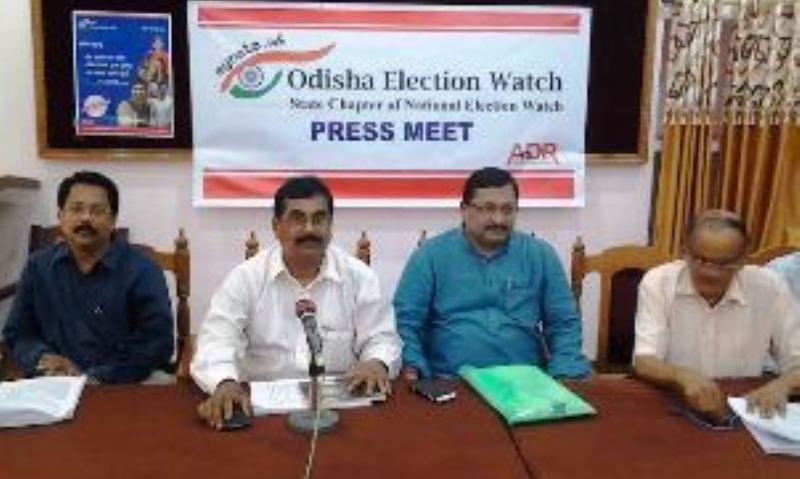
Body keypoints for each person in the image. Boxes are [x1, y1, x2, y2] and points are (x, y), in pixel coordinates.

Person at [191, 176, 401, 430]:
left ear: (331, 226)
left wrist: (376, 362)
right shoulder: (245, 279)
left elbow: (382, 338)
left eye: (319, 219)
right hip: (262, 415)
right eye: (297, 219)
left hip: (340, 412)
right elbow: (216, 340)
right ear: (276, 226)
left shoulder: (359, 278)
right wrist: (224, 382)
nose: (309, 229)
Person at [393, 167, 590, 381]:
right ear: (464, 209)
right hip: (450, 382)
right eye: (488, 209)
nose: (498, 219)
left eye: (507, 210)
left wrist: (564, 375)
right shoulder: (430, 256)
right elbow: (405, 323)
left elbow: (564, 324)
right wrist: (414, 369)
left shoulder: (540, 255)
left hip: (525, 382)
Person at [2, 171, 174, 383]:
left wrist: (97, 376)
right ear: (60, 216)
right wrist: (42, 358)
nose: (85, 218)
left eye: (97, 211)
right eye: (76, 209)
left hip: (126, 380)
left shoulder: (143, 270)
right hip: (55, 382)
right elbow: (18, 333)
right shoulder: (38, 266)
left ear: (113, 220)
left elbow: (157, 343)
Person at [633, 210, 800, 420]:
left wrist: (782, 386)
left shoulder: (770, 287)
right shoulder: (658, 282)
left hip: (743, 404)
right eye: (700, 260)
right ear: (684, 252)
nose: (709, 273)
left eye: (723, 264)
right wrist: (680, 375)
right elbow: (645, 360)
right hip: (674, 399)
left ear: (743, 260)